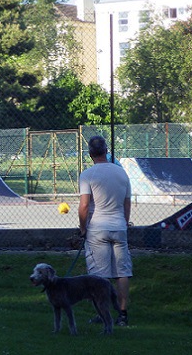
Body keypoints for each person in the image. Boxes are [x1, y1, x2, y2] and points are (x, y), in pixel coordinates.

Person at [78, 135, 132, 327]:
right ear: (107, 151)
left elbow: (84, 206)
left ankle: (103, 314)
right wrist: (124, 223)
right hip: (119, 226)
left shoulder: (87, 175)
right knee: (122, 272)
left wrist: (83, 228)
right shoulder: (122, 174)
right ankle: (123, 314)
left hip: (97, 229)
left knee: (98, 276)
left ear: (90, 153)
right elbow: (127, 203)